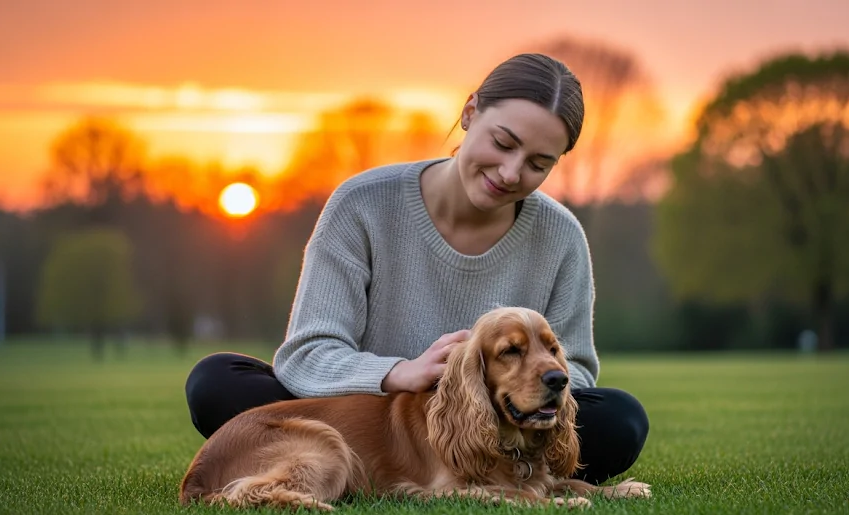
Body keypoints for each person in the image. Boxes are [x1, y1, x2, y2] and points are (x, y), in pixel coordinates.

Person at [185, 52, 649, 485]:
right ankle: (338, 464)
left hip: (498, 417)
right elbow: (307, 354)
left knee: (619, 420)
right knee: (217, 383)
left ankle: (471, 460)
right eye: (503, 143)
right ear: (470, 113)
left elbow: (578, 373)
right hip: (371, 419)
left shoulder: (562, 236)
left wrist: (478, 397)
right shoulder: (362, 203)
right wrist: (402, 372)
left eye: (537, 163)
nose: (510, 173)